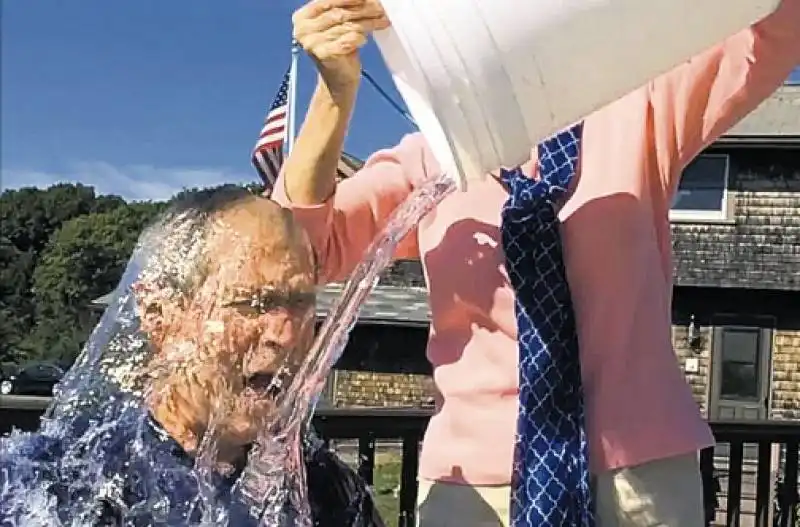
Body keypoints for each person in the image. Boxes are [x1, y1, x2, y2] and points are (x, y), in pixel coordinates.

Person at [277, 0, 800, 525]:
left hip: (641, 478)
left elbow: (775, 28)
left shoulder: (641, 107)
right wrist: (334, 90)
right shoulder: (428, 160)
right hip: (475, 491)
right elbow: (300, 250)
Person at [0, 188, 384, 527]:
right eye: (253, 303)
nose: (286, 336)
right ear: (159, 315)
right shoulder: (65, 483)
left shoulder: (325, 490)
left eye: (301, 305)